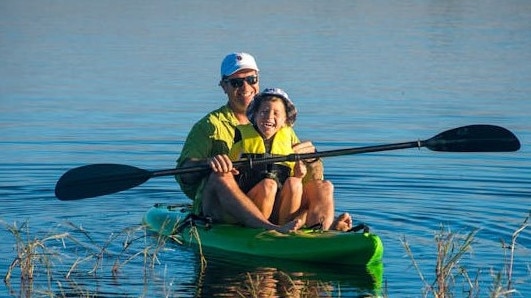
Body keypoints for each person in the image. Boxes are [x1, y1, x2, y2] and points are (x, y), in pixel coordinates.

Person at [175, 52, 351, 233]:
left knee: (323, 187)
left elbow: (310, 179)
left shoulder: (280, 126)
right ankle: (270, 228)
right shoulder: (209, 126)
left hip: (273, 204)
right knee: (222, 176)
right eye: (236, 82)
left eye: (251, 79)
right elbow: (184, 174)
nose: (245, 87)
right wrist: (209, 163)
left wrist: (312, 160)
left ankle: (325, 230)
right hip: (223, 210)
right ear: (223, 86)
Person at [229, 88, 307, 225]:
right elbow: (229, 177)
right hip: (249, 206)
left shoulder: (290, 141)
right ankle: (260, 229)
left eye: (276, 113)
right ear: (256, 115)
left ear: (285, 120)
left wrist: (299, 175)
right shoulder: (241, 140)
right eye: (264, 112)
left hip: (278, 207)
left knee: (295, 183)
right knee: (268, 185)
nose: (269, 117)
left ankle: (285, 230)